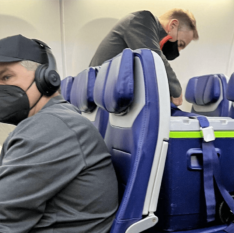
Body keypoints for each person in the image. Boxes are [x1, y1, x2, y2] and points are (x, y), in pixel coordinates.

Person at [0, 35, 118, 232]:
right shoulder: (47, 122)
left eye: (6, 77)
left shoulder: (51, 127)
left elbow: (4, 218)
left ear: (46, 78)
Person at [90, 8, 199, 106]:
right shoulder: (142, 19)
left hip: (104, 95)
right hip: (99, 95)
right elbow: (153, 58)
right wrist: (176, 90)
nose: (178, 51)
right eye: (180, 44)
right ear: (172, 25)